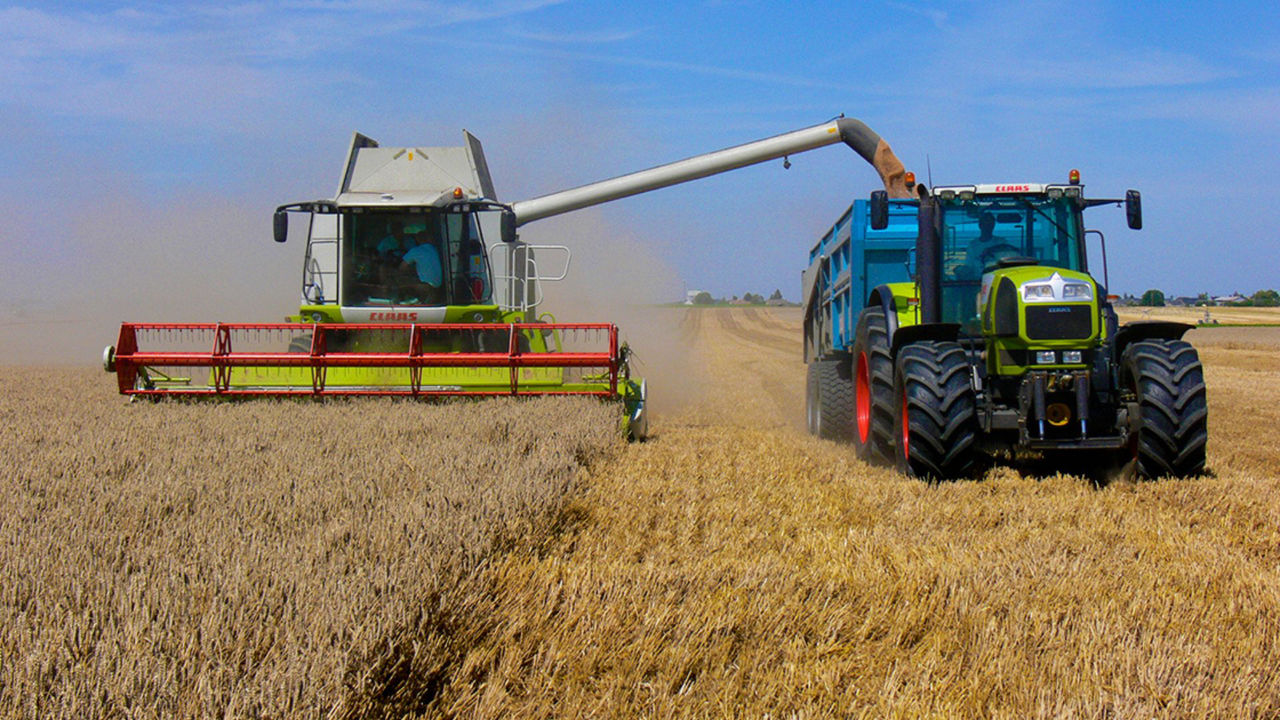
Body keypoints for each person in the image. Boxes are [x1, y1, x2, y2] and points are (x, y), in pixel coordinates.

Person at [401, 233, 444, 302]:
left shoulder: (416, 251)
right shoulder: (436, 249)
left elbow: (402, 267)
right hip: (439, 285)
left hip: (426, 286)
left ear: (417, 240)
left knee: (402, 283)